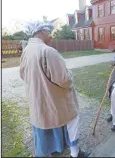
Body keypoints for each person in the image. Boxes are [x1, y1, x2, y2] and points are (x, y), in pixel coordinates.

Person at [19, 22, 90, 157]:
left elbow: (23, 75)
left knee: (44, 124)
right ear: (42, 32)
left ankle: (50, 151)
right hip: (54, 100)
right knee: (72, 119)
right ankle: (75, 154)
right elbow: (64, 80)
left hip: (37, 100)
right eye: (49, 32)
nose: (51, 36)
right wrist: (70, 75)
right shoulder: (48, 51)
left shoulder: (27, 50)